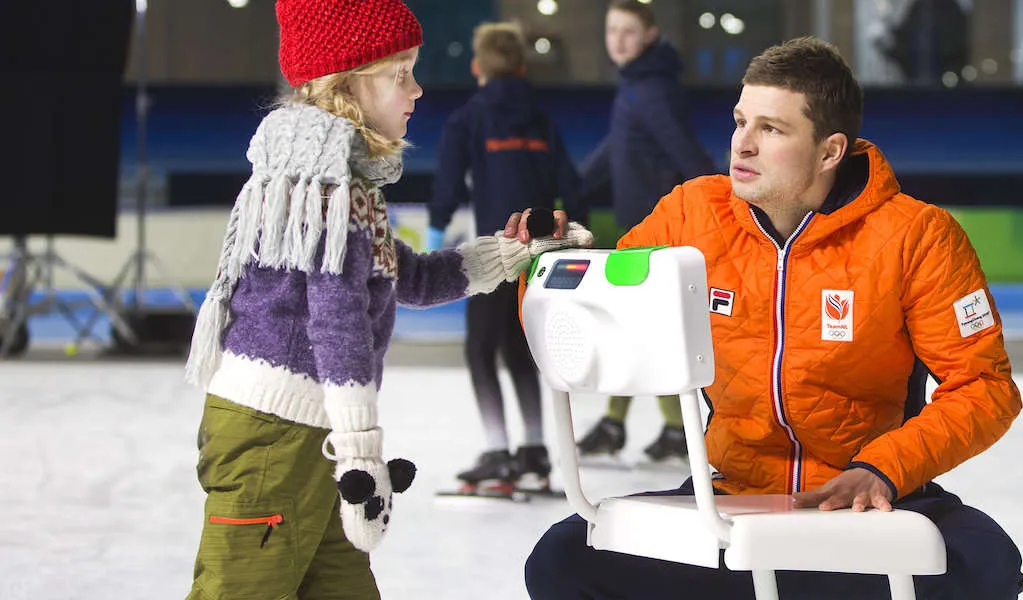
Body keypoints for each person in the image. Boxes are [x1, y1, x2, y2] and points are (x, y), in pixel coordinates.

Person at [525, 37, 1023, 600]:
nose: (743, 143)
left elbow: (984, 387)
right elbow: (590, 323)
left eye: (771, 129)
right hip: (731, 499)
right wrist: (546, 264)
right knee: (564, 557)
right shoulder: (691, 214)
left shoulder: (917, 236)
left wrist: (882, 470)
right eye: (741, 121)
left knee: (985, 562)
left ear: (830, 151)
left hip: (865, 503)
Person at [181, 1, 591, 597]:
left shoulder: (338, 181)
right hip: (274, 438)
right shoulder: (324, 191)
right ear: (346, 83)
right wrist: (360, 454)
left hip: (309, 431)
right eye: (400, 73)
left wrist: (512, 253)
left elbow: (410, 277)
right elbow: (337, 325)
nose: (416, 89)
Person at [427, 22, 583, 494]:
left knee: (480, 349)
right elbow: (571, 185)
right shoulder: (542, 120)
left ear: (477, 66)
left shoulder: (468, 119)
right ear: (520, 67)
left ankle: (498, 450)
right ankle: (534, 451)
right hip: (539, 258)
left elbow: (448, 183)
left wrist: (436, 233)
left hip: (494, 256)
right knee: (520, 349)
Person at [574, 0, 718, 464]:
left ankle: (670, 428)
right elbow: (615, 149)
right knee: (634, 325)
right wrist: (568, 187)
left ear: (650, 35)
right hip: (640, 225)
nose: (617, 40)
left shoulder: (649, 88)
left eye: (628, 31)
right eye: (611, 30)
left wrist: (719, 199)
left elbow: (683, 149)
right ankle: (622, 424)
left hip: (655, 230)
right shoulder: (639, 84)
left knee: (644, 328)